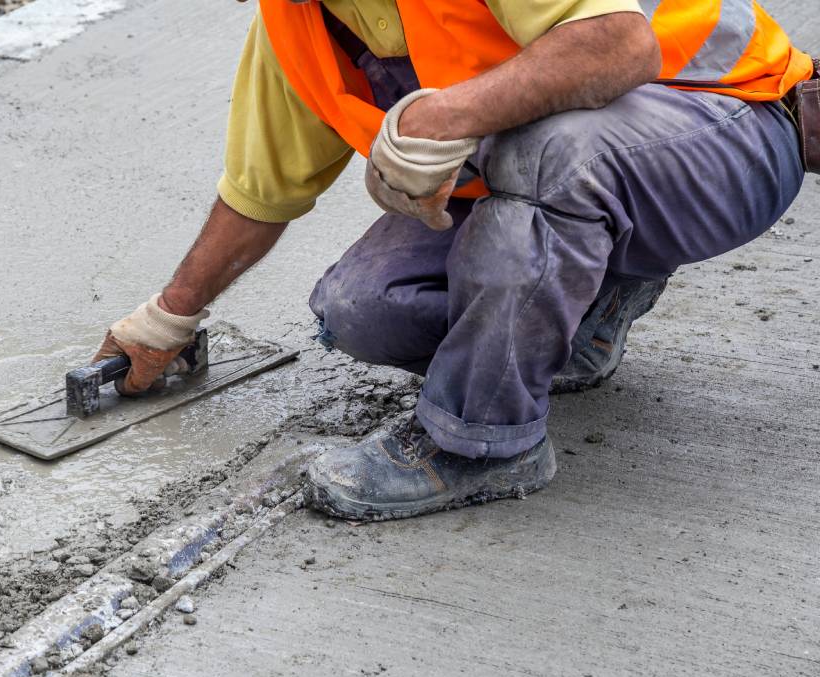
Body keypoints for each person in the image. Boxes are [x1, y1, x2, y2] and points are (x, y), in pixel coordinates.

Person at [93, 0, 812, 521]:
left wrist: (445, 116)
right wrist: (166, 320)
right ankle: (593, 307)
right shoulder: (296, 24)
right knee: (362, 308)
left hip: (729, 126)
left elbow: (619, 44)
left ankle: (483, 445)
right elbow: (259, 192)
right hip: (568, 174)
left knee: (551, 154)